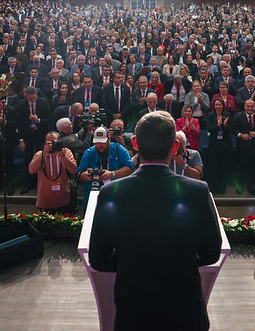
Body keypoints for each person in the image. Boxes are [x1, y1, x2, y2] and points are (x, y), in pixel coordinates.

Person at [88, 111, 222, 331]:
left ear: (135, 144)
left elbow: (98, 258)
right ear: (175, 147)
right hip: (185, 312)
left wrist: (131, 261)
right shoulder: (198, 191)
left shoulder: (111, 192)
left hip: (134, 311)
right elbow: (211, 253)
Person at [76, 126, 134, 206]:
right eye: (97, 142)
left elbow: (130, 168)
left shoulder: (118, 149)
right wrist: (85, 175)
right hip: (93, 194)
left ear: (108, 139)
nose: (100, 145)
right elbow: (79, 173)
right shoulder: (89, 152)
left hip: (116, 194)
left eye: (102, 142)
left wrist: (112, 174)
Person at [28, 130, 77, 213]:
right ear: (45, 143)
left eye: (54, 142)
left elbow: (73, 170)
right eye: (49, 142)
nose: (52, 144)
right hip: (44, 202)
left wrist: (64, 156)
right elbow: (31, 170)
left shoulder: (66, 152)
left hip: (64, 201)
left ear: (59, 141)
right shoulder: (39, 154)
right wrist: (43, 154)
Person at [205, 98, 233, 194]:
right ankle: (214, 187)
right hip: (214, 144)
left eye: (220, 105)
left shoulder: (227, 115)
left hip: (225, 145)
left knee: (223, 167)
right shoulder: (210, 115)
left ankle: (222, 187)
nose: (218, 107)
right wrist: (218, 125)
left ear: (223, 106)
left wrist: (224, 126)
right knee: (214, 167)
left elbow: (230, 129)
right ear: (214, 106)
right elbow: (209, 128)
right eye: (216, 105)